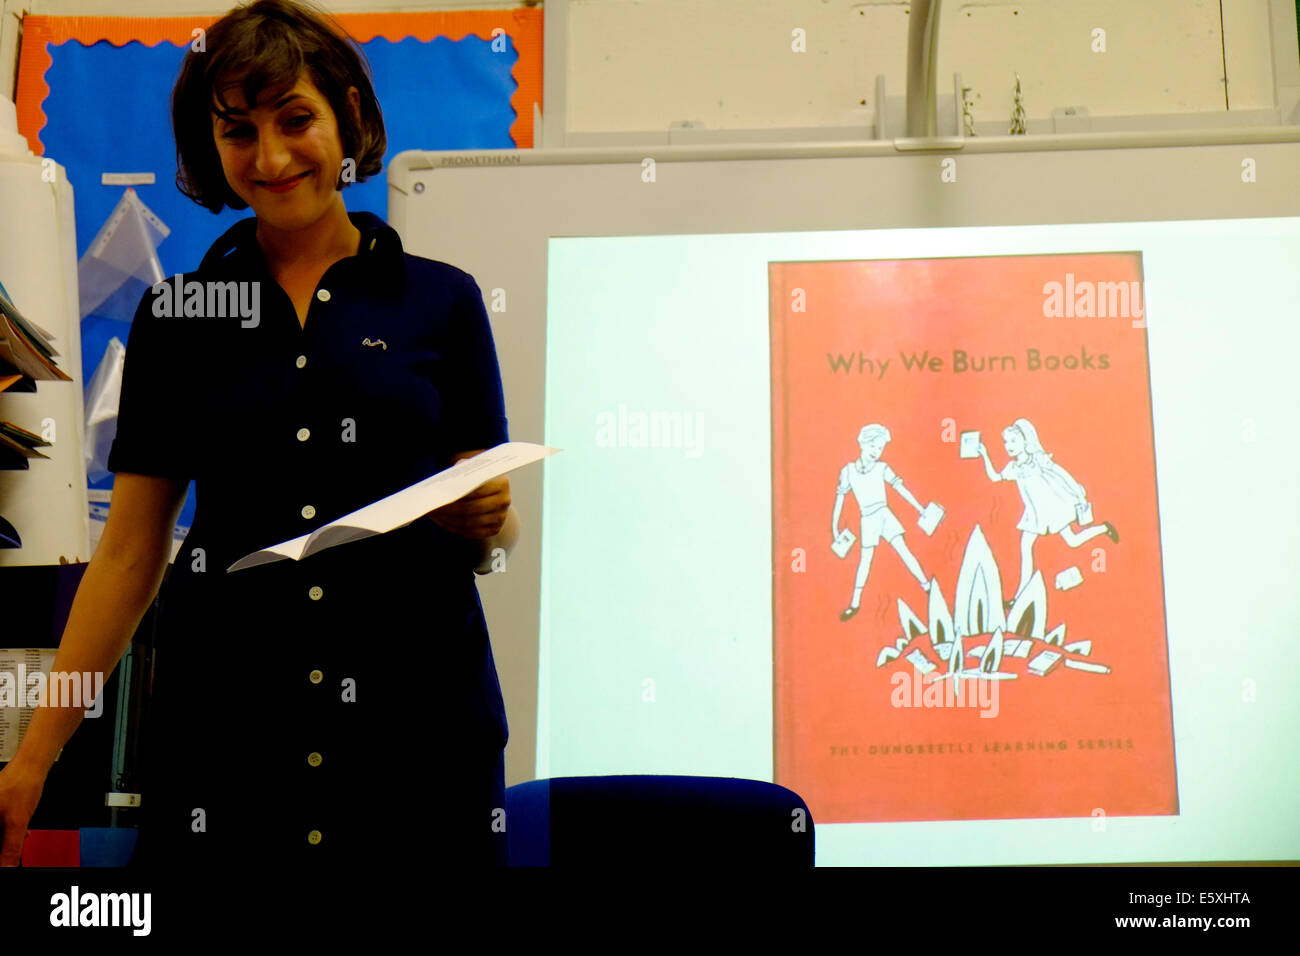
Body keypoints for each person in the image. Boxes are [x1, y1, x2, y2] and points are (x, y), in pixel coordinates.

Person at [0, 0, 519, 873]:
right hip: (230, 741)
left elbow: (493, 521)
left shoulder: (443, 300)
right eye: (239, 131)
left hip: (418, 735)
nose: (272, 158)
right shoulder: (181, 315)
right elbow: (128, 559)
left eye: (296, 120)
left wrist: (490, 518)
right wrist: (32, 759)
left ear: (349, 114)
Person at [975, 417, 1116, 605]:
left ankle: (1104, 528)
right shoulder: (1014, 467)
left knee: (1072, 542)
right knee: (1026, 547)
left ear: (1026, 441)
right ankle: (1020, 595)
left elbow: (1061, 473)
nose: (1008, 446)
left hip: (1053, 509)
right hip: (1034, 515)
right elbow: (995, 477)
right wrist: (984, 454)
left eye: (1013, 441)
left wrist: (1079, 493)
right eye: (1006, 442)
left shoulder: (1038, 460)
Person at [832, 424, 931, 621]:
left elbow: (900, 489)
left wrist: (919, 508)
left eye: (880, 448)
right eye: (873, 447)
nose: (877, 452)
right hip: (867, 520)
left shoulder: (882, 468)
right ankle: (855, 604)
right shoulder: (848, 471)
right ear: (862, 444)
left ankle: (927, 587)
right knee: (865, 562)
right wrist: (834, 528)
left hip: (885, 515)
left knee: (904, 551)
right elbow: (840, 500)